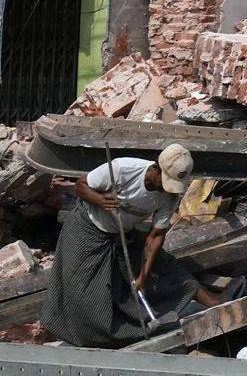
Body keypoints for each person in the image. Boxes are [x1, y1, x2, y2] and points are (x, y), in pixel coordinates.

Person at [43, 145, 221, 347]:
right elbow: (81, 187)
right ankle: (92, 338)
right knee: (84, 291)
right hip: (88, 228)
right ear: (156, 168)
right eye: (163, 182)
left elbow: (156, 236)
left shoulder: (169, 194)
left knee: (165, 268)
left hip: (122, 233)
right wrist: (101, 200)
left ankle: (215, 303)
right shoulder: (122, 169)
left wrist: (143, 276)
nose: (165, 188)